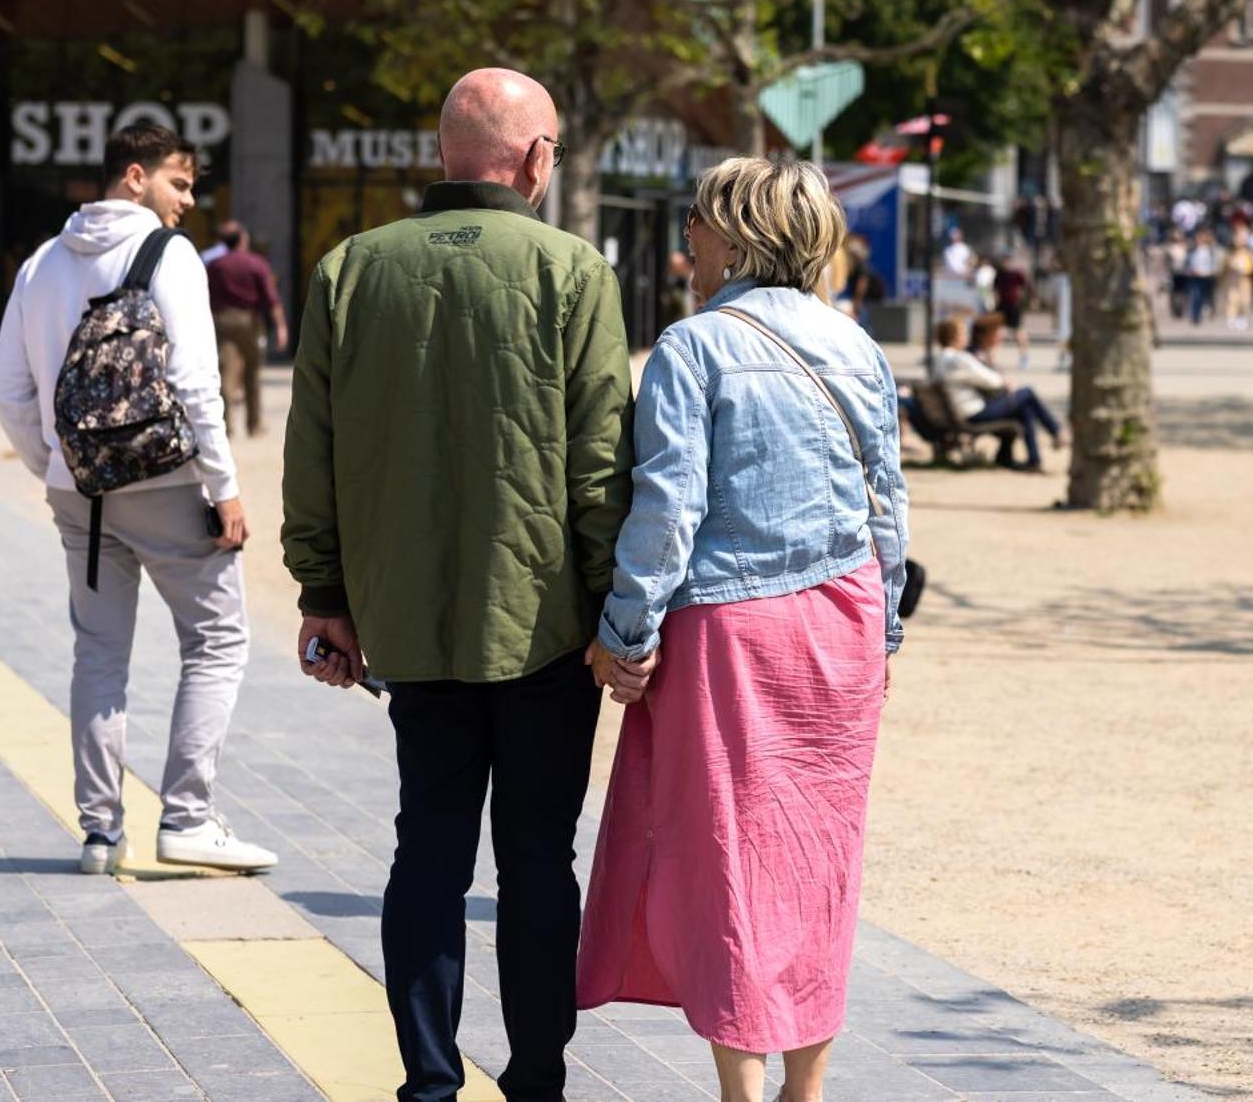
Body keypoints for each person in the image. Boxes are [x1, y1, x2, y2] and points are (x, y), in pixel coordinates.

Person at [283, 69, 634, 1100]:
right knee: (537, 862)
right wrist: (618, 610)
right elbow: (600, 463)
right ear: (532, 159)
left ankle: (429, 1081)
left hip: (403, 622)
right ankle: (534, 1080)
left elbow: (314, 449)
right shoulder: (573, 271)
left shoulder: (349, 268)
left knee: (426, 852)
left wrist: (323, 591)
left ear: (444, 154)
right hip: (542, 626)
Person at [577, 157, 910, 1102]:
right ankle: (806, 1088)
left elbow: (668, 509)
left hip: (734, 628)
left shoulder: (694, 347)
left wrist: (626, 633)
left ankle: (742, 1091)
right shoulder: (858, 346)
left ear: (739, 235)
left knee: (730, 859)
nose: (686, 237)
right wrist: (881, 635)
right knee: (820, 861)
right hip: (841, 621)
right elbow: (889, 509)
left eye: (697, 220)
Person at [0, 123, 274, 875]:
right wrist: (226, 487)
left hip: (77, 491)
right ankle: (187, 817)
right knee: (217, 641)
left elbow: (9, 389)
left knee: (99, 650)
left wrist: (56, 461)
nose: (188, 200)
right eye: (179, 183)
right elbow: (193, 385)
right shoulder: (169, 255)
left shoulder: (41, 263)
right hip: (167, 484)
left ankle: (99, 831)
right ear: (136, 174)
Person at [928, 316, 1066, 470]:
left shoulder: (939, 358)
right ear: (954, 337)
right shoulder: (958, 358)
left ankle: (1028, 459)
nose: (965, 337)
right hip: (973, 412)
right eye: (962, 333)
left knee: (1025, 407)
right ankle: (1056, 432)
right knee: (1027, 393)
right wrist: (1005, 382)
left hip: (960, 411)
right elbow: (989, 380)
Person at [205, 224, 289, 437]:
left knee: (225, 372)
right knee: (252, 372)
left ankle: (226, 425)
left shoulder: (215, 265)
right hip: (249, 321)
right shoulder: (256, 263)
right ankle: (254, 424)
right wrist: (280, 326)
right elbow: (271, 298)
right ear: (242, 240)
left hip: (221, 321)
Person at [993, 256, 1032, 366]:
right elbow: (995, 290)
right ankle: (992, 357)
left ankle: (1024, 356)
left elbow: (1026, 286)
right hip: (1002, 306)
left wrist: (1027, 299)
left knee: (1018, 331)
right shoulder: (999, 274)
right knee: (997, 331)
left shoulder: (1016, 274)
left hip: (1014, 306)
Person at [1185, 228, 1221, 324]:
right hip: (1196, 277)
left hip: (1207, 277)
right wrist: (1190, 270)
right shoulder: (1193, 250)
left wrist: (1213, 272)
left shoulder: (1210, 250)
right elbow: (1188, 263)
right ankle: (1195, 316)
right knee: (1196, 296)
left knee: (1206, 297)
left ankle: (1208, 312)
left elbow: (1214, 263)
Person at [1222, 230, 1253, 331]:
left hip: (1244, 280)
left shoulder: (1247, 253)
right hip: (1232, 280)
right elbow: (1225, 266)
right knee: (1232, 300)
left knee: (1244, 301)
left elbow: (1252, 266)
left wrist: (1244, 270)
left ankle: (1242, 319)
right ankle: (1231, 319)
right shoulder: (1230, 253)